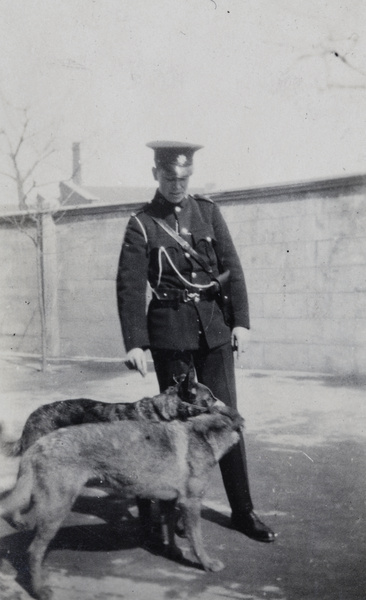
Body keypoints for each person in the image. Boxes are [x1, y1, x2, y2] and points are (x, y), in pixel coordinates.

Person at [116, 141, 276, 543]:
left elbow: (231, 268)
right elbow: (131, 286)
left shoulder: (207, 211)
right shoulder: (142, 223)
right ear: (156, 173)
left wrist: (242, 322)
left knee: (228, 422)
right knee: (177, 431)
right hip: (170, 335)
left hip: (214, 331)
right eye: (169, 177)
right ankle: (179, 515)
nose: (176, 185)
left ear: (191, 176)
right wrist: (135, 342)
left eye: (184, 178)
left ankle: (243, 510)